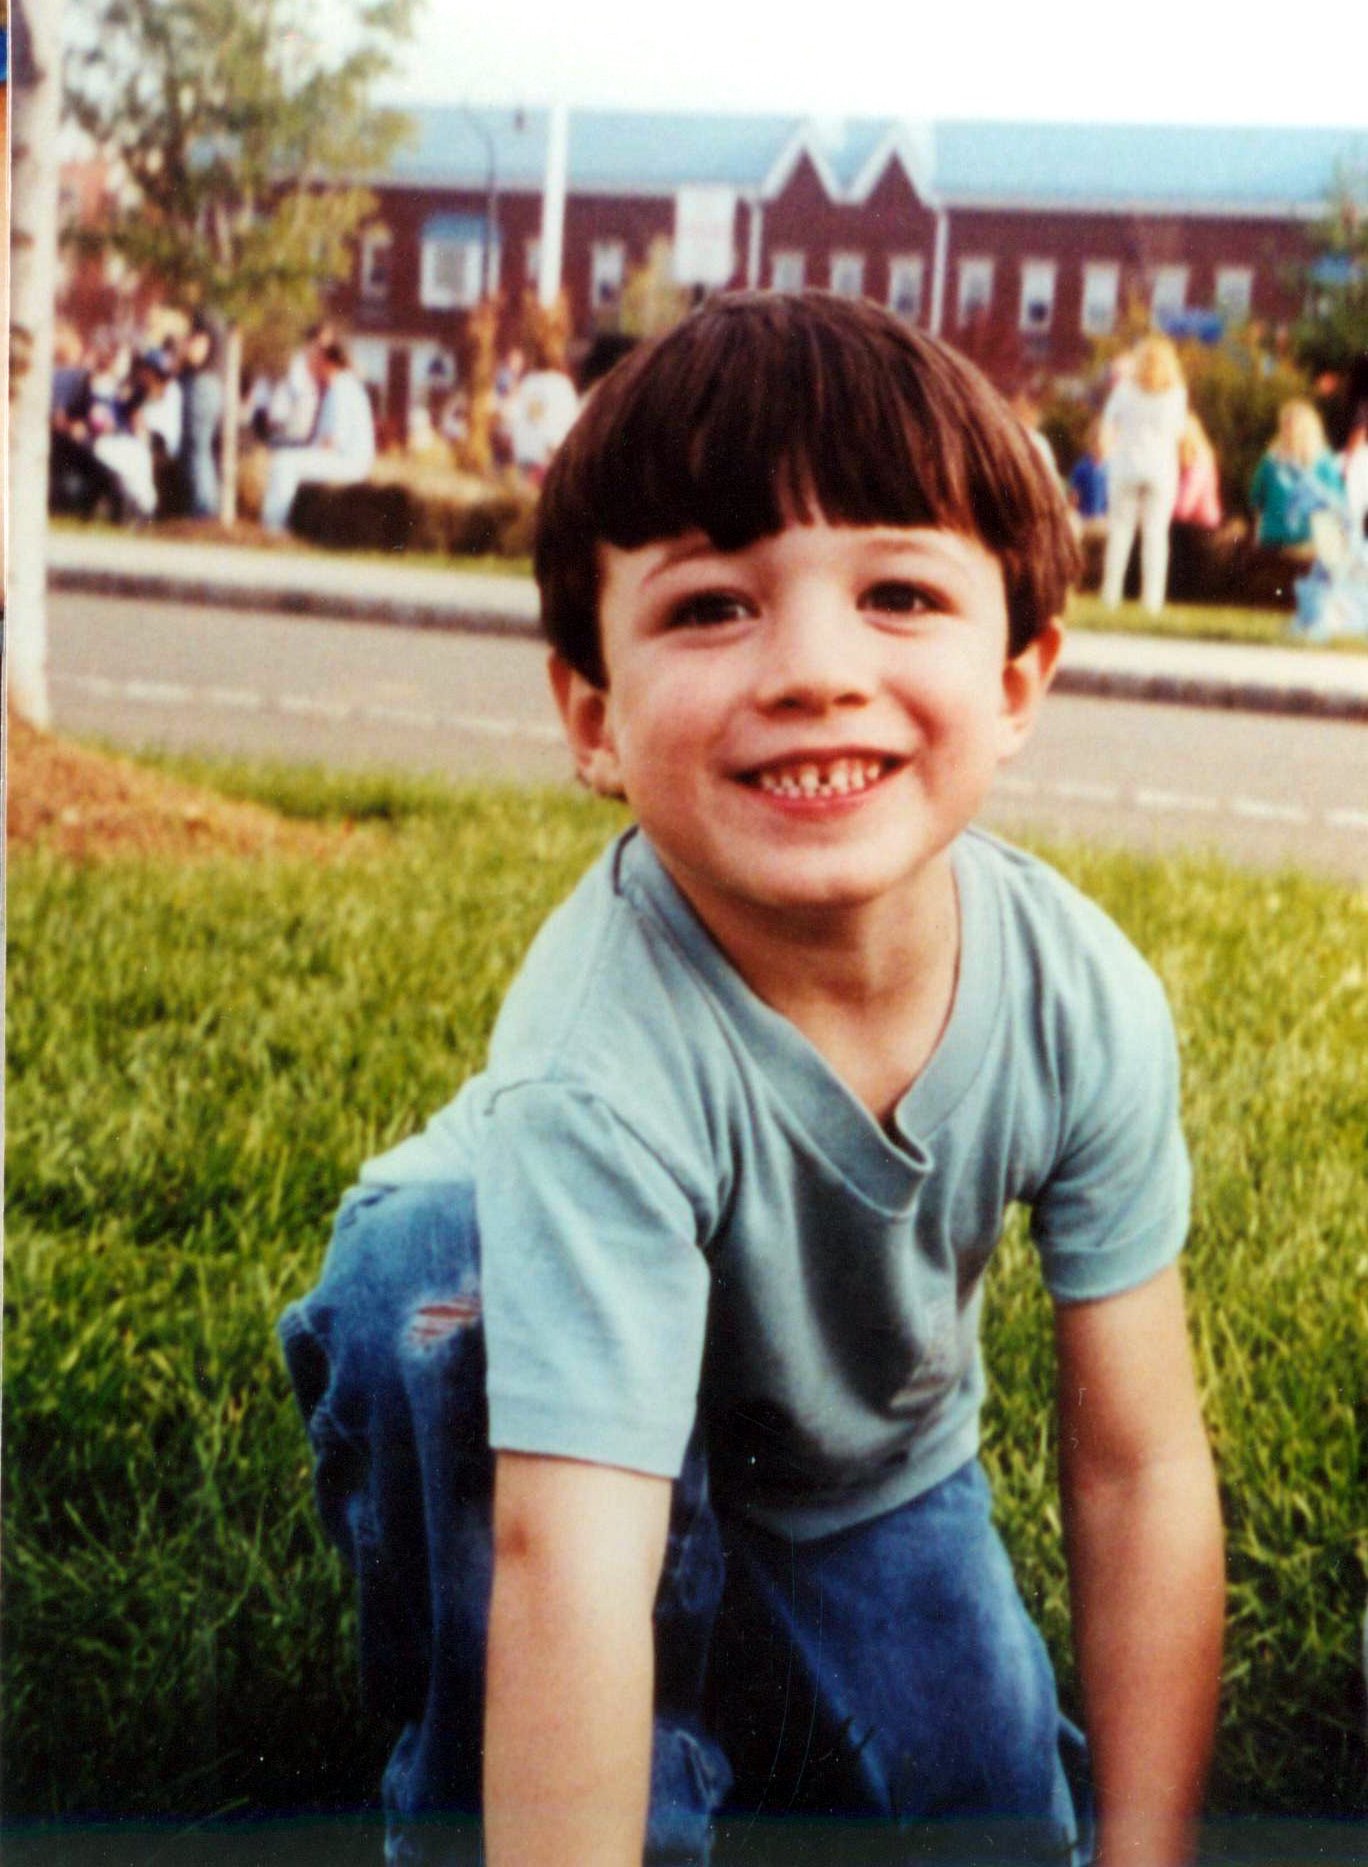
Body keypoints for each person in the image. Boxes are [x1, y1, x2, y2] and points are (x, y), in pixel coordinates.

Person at [279, 293, 1224, 1867]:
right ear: (591, 712)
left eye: (901, 591)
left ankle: (740, 1624)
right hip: (526, 1365)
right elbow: (567, 1556)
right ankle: (479, 1775)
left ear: (1019, 676)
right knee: (429, 1295)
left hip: (852, 1462)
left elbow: (1139, 1468)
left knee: (1003, 1827)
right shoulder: (596, 1065)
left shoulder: (1083, 996)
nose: (812, 669)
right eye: (714, 606)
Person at [1100, 334, 1188, 613]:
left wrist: (1107, 447)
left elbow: (1108, 424)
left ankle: (1110, 596)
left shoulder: (1125, 389)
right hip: (1160, 469)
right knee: (1155, 536)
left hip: (1126, 465)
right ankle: (1152, 602)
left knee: (1120, 532)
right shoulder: (1176, 393)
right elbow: (1179, 432)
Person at [260, 338, 376, 531]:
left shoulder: (341, 390)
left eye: (314, 362)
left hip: (349, 463)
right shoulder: (340, 386)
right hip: (346, 458)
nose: (309, 368)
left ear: (327, 363)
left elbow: (331, 442)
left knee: (283, 463)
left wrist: (302, 453)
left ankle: (273, 529)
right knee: (286, 458)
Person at [1249, 399, 1347, 551]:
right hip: (1277, 543)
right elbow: (1256, 500)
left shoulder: (1323, 463)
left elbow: (1337, 504)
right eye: (1286, 426)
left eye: (1293, 426)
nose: (1289, 431)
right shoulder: (1270, 462)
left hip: (1306, 543)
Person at [176, 317, 225, 519]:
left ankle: (204, 508)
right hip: (209, 384)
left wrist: (182, 351)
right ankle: (205, 505)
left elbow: (195, 355)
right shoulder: (215, 328)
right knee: (200, 449)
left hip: (202, 385)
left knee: (198, 449)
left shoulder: (203, 327)